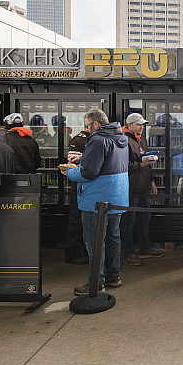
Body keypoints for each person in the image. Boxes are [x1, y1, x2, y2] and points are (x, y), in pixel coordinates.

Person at [60, 108, 128, 294]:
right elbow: (108, 161)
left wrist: (69, 171)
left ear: (96, 124)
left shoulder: (97, 139)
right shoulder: (120, 138)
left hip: (97, 201)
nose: (87, 129)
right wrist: (83, 157)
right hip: (117, 198)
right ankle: (113, 275)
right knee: (113, 237)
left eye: (87, 126)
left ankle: (95, 283)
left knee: (94, 242)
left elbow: (88, 173)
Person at [121, 113, 163, 266]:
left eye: (142, 124)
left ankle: (145, 248)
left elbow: (145, 160)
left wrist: (151, 181)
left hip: (143, 186)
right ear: (129, 125)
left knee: (145, 218)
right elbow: (122, 166)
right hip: (130, 188)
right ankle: (129, 252)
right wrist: (141, 165)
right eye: (138, 124)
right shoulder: (123, 140)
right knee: (128, 221)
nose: (141, 127)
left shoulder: (141, 138)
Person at [64, 127, 90, 265]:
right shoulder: (79, 140)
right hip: (78, 189)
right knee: (76, 222)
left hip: (85, 188)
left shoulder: (90, 140)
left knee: (83, 222)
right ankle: (72, 254)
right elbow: (72, 165)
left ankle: (83, 251)